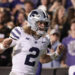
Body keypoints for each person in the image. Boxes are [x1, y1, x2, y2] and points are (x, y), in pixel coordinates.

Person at [0, 9, 63, 75]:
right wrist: (3, 46)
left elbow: (43, 59)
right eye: (40, 23)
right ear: (32, 22)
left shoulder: (45, 40)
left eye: (45, 23)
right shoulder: (20, 32)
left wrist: (57, 53)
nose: (43, 25)